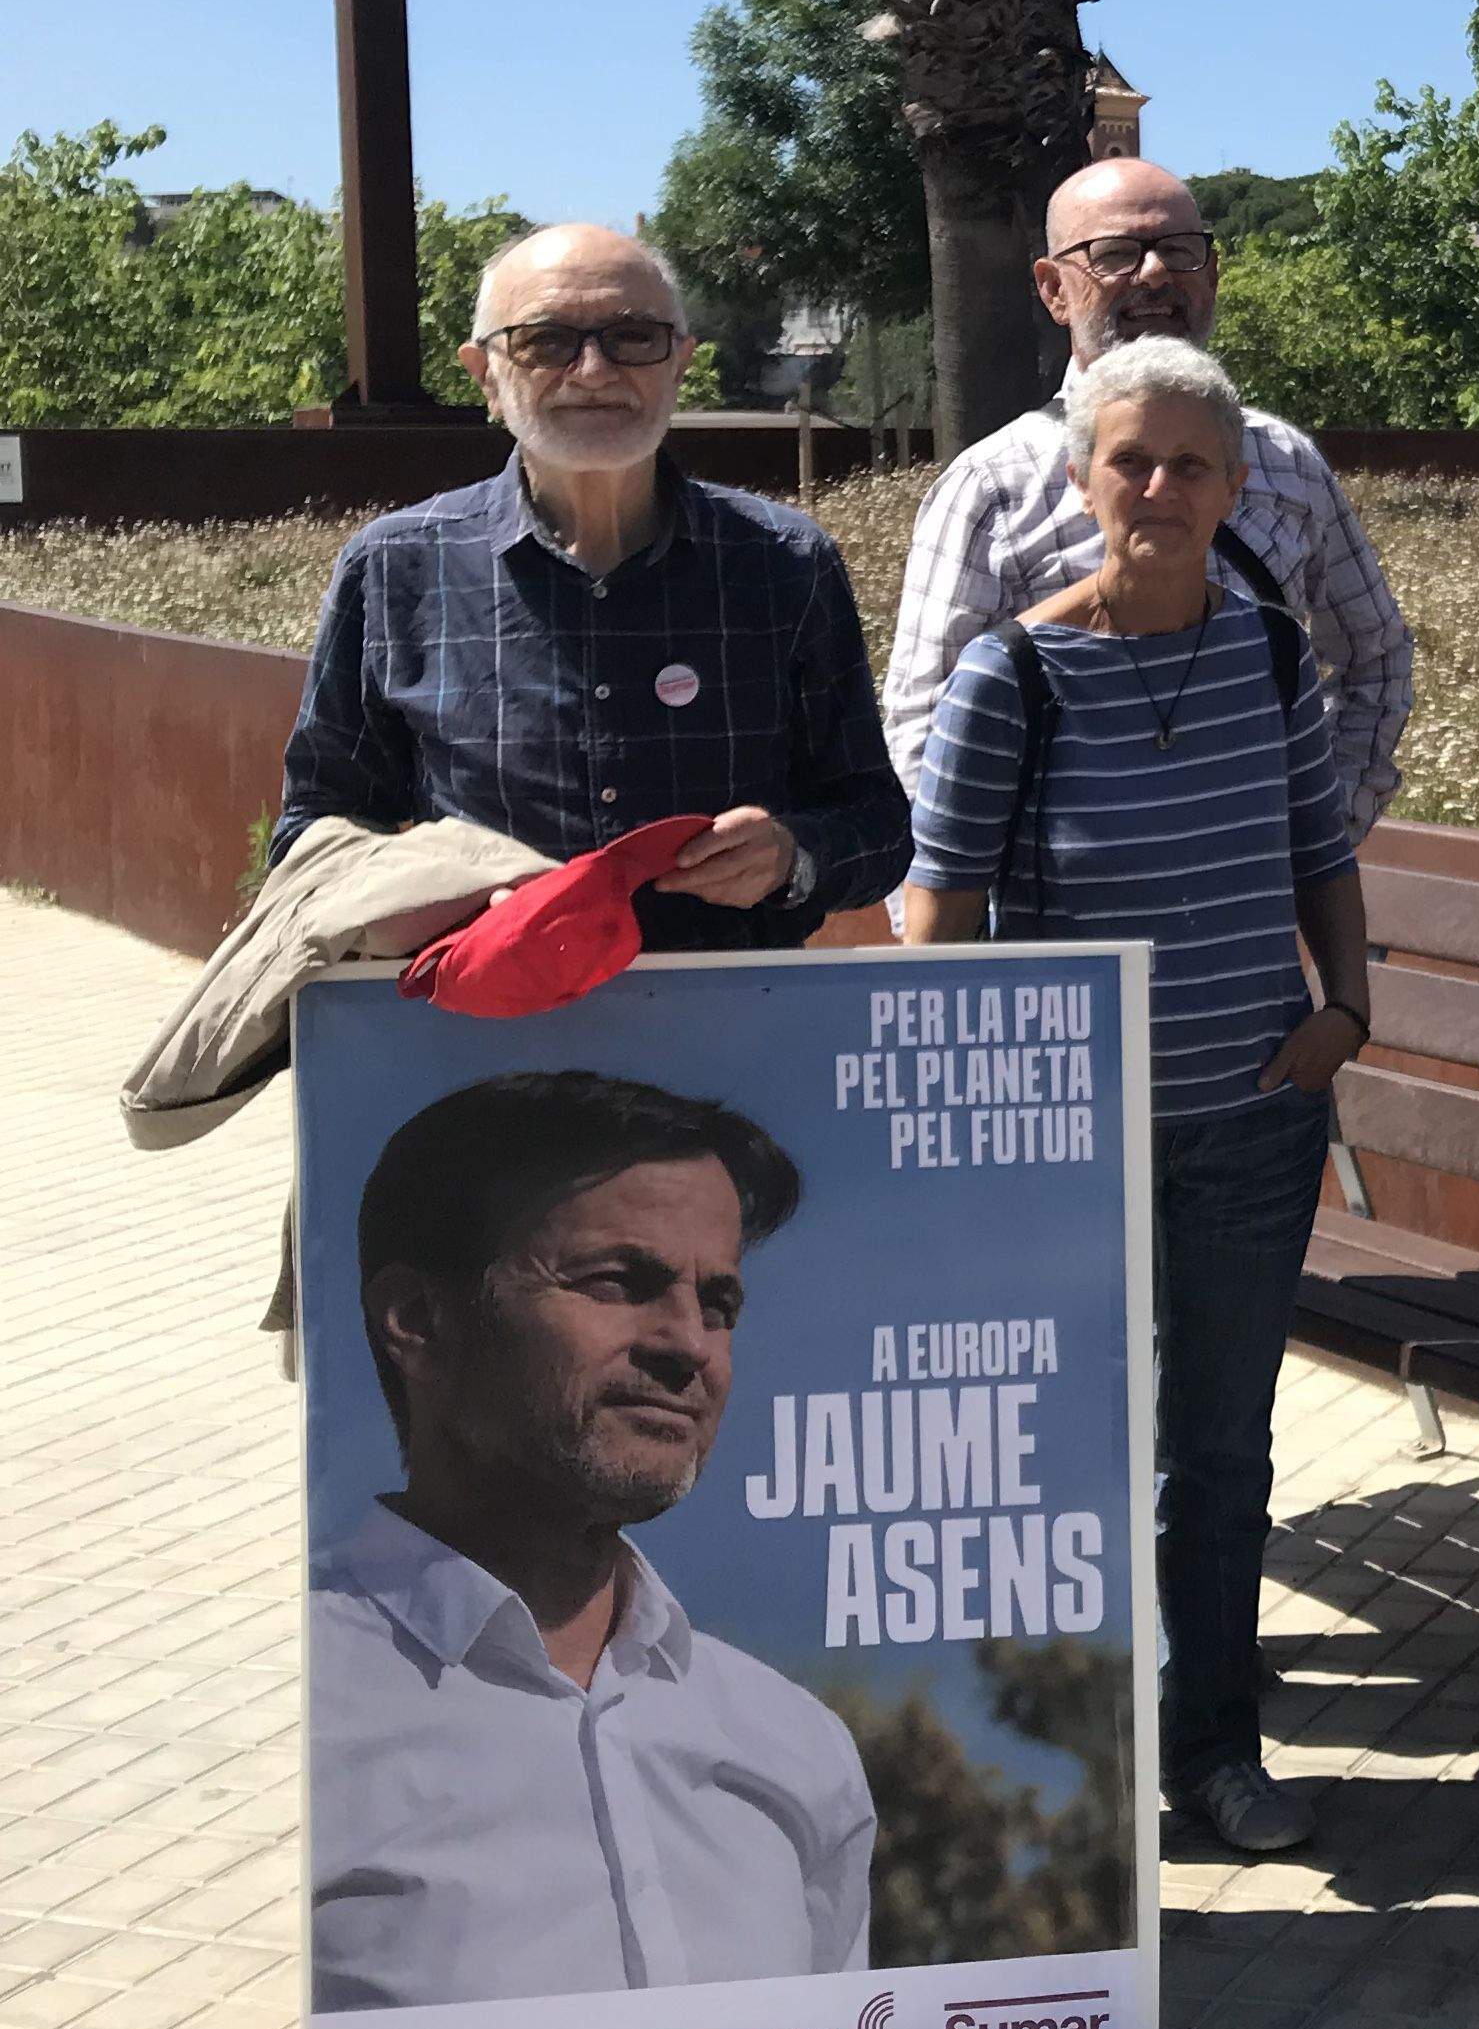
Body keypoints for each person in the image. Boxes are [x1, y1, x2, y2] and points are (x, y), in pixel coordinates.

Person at [898, 338, 1372, 1859]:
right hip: (1066, 1148)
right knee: (1062, 1454)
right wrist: (980, 1113)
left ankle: (1213, 1752)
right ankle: (1068, 1772)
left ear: (1236, 486)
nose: (1158, 489)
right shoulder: (1012, 672)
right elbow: (939, 909)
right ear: (1085, 480)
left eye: (1189, 465)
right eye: (1130, 463)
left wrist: (1344, 1011)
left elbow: (1320, 847)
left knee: (1221, 1458)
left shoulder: (1273, 652)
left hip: (1249, 1124)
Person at [311, 1070, 873, 2009]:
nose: (690, 1345)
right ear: (417, 1320)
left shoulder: (794, 1744)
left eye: (721, 1304)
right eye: (619, 1281)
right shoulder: (294, 1716)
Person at [276, 226, 910, 946]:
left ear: (679, 363)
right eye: (546, 341)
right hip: (475, 1033)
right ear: (484, 374)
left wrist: (792, 856)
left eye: (633, 337)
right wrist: (437, 893)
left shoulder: (786, 562)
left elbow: (879, 827)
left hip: (735, 1027)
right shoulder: (394, 569)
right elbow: (313, 835)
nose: (592, 369)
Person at [883, 154, 1414, 835]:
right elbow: (924, 723)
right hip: (1059, 914)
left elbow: (1377, 654)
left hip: (1245, 901)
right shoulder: (992, 487)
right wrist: (971, 912)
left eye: (1180, 250)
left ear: (1213, 276)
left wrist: (1323, 827)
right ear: (1052, 289)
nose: (1157, 273)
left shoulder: (1288, 463)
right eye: (1116, 254)